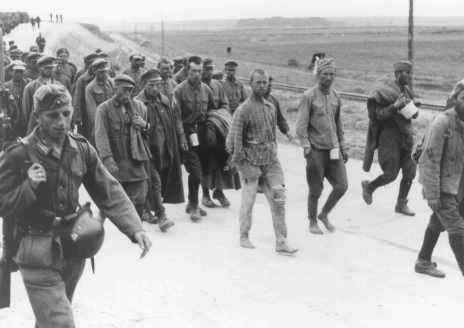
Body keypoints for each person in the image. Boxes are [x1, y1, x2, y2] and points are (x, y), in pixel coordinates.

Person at [0, 83, 152, 327]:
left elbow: (108, 190)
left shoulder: (81, 148)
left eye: (66, 113)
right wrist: (28, 187)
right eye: (52, 115)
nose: (62, 121)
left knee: (52, 319)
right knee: (60, 322)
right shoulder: (19, 154)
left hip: (74, 248)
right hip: (36, 250)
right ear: (37, 116)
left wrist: (135, 228)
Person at [227, 68, 297, 254]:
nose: (262, 85)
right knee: (248, 200)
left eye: (265, 82)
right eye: (258, 82)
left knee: (279, 198)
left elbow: (273, 135)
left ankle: (281, 241)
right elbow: (233, 140)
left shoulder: (271, 107)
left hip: (270, 160)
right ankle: (244, 236)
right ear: (251, 84)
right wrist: (239, 161)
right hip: (250, 161)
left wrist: (282, 142)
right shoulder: (243, 110)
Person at [415, 80, 464, 279]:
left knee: (438, 222)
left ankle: (423, 261)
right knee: (458, 230)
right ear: (456, 98)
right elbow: (429, 160)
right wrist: (433, 194)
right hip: (442, 187)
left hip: (458, 187)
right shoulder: (443, 122)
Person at [295, 58, 348, 234]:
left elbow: (338, 124)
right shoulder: (308, 96)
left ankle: (324, 214)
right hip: (315, 149)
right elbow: (301, 125)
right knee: (315, 189)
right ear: (318, 75)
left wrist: (342, 146)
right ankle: (312, 222)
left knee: (342, 186)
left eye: (332, 74)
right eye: (325, 74)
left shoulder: (335, 96)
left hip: (333, 149)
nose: (328, 77)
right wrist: (306, 146)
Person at [361, 61, 419, 216]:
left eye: (409, 73)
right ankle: (369, 187)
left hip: (406, 135)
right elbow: (377, 115)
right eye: (403, 73)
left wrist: (412, 106)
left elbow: (414, 114)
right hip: (389, 136)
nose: (407, 76)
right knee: (391, 174)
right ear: (397, 74)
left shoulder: (406, 90)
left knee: (410, 171)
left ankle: (401, 204)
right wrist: (395, 106)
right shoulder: (383, 91)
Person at [136, 69, 187, 231]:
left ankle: (144, 210)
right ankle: (161, 215)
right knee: (154, 181)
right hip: (146, 150)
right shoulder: (137, 103)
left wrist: (181, 138)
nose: (156, 88)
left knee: (155, 181)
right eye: (152, 85)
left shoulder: (164, 100)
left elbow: (175, 119)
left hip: (164, 149)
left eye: (158, 85)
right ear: (144, 85)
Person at [94, 74, 151, 218]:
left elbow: (149, 134)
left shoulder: (140, 107)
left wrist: (144, 126)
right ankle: (98, 224)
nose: (127, 94)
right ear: (115, 89)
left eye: (130, 90)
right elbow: (101, 136)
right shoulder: (104, 109)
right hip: (116, 161)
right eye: (124, 90)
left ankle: (137, 229)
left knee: (140, 199)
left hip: (136, 160)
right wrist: (107, 160)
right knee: (110, 200)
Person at [173, 56, 215, 222]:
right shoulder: (179, 90)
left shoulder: (206, 89)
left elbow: (213, 110)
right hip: (188, 134)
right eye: (193, 71)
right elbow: (176, 117)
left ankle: (192, 203)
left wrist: (212, 130)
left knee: (202, 170)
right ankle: (194, 205)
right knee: (195, 172)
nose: (196, 74)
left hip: (203, 135)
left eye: (199, 71)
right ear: (187, 71)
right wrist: (182, 136)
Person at [200, 58, 240, 208]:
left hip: (219, 128)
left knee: (222, 158)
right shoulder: (197, 87)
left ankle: (219, 191)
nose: (208, 72)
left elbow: (225, 104)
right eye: (206, 69)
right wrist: (210, 118)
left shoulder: (218, 85)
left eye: (211, 69)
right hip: (203, 130)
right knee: (206, 162)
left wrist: (218, 115)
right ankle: (205, 194)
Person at [22, 56, 62, 133]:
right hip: (36, 126)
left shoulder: (59, 86)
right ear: (40, 68)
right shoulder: (31, 87)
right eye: (47, 68)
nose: (50, 70)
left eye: (51, 68)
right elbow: (26, 110)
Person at [84, 58, 114, 143]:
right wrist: (101, 126)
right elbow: (92, 112)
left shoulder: (111, 83)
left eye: (105, 71)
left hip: (114, 121)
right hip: (100, 123)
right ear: (95, 72)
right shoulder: (90, 88)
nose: (104, 74)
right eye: (101, 72)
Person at [72, 53, 99, 134]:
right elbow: (77, 99)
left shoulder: (100, 78)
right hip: (85, 114)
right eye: (92, 64)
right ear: (88, 65)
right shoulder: (82, 79)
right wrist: (78, 117)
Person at [3, 61, 29, 141]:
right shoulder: (6, 86)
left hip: (25, 119)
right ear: (11, 72)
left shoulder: (28, 84)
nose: (19, 74)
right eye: (16, 71)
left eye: (21, 72)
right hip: (12, 120)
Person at [265, 76, 295, 141]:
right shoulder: (253, 101)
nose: (270, 88)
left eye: (271, 86)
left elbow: (280, 119)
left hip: (270, 140)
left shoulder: (273, 101)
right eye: (268, 85)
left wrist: (287, 132)